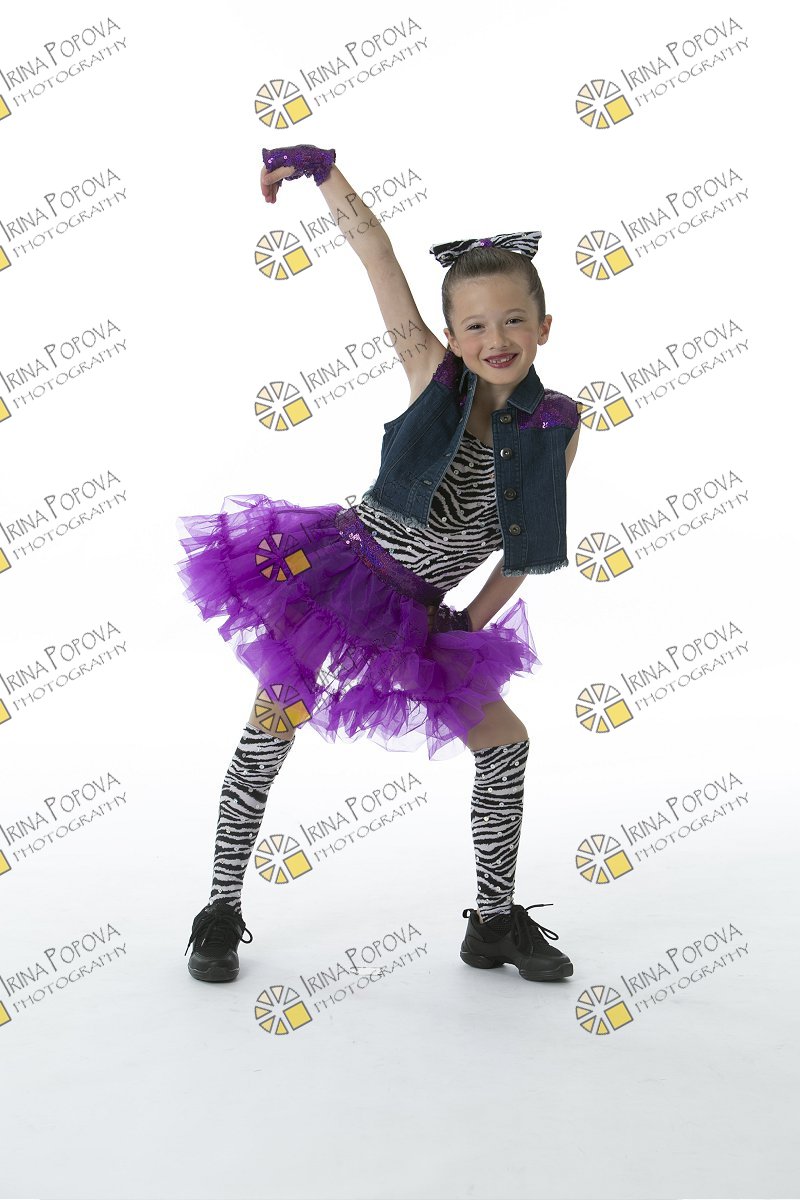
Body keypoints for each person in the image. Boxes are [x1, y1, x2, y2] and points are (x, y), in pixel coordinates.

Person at [177, 144, 581, 987]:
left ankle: (493, 923)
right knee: (272, 725)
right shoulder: (432, 375)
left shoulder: (558, 425)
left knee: (505, 745)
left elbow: (527, 547)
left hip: (423, 609)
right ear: (451, 335)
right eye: (475, 325)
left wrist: (469, 621)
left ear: (544, 326)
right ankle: (218, 906)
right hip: (340, 577)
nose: (495, 339)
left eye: (514, 321)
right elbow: (378, 257)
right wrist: (324, 173)